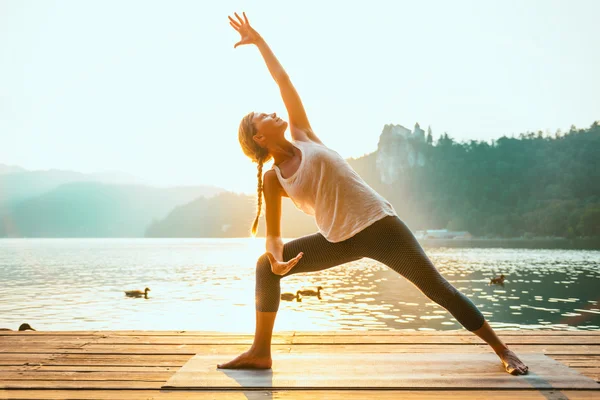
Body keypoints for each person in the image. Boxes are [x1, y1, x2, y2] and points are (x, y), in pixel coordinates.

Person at [218, 12, 528, 376]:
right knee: (263, 268)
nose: (273, 112)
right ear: (259, 137)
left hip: (381, 227)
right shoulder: (274, 180)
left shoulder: (303, 134)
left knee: (438, 289)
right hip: (337, 240)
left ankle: (503, 350)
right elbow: (272, 235)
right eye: (263, 116)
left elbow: (283, 79)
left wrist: (259, 42)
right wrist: (275, 260)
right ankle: (260, 352)